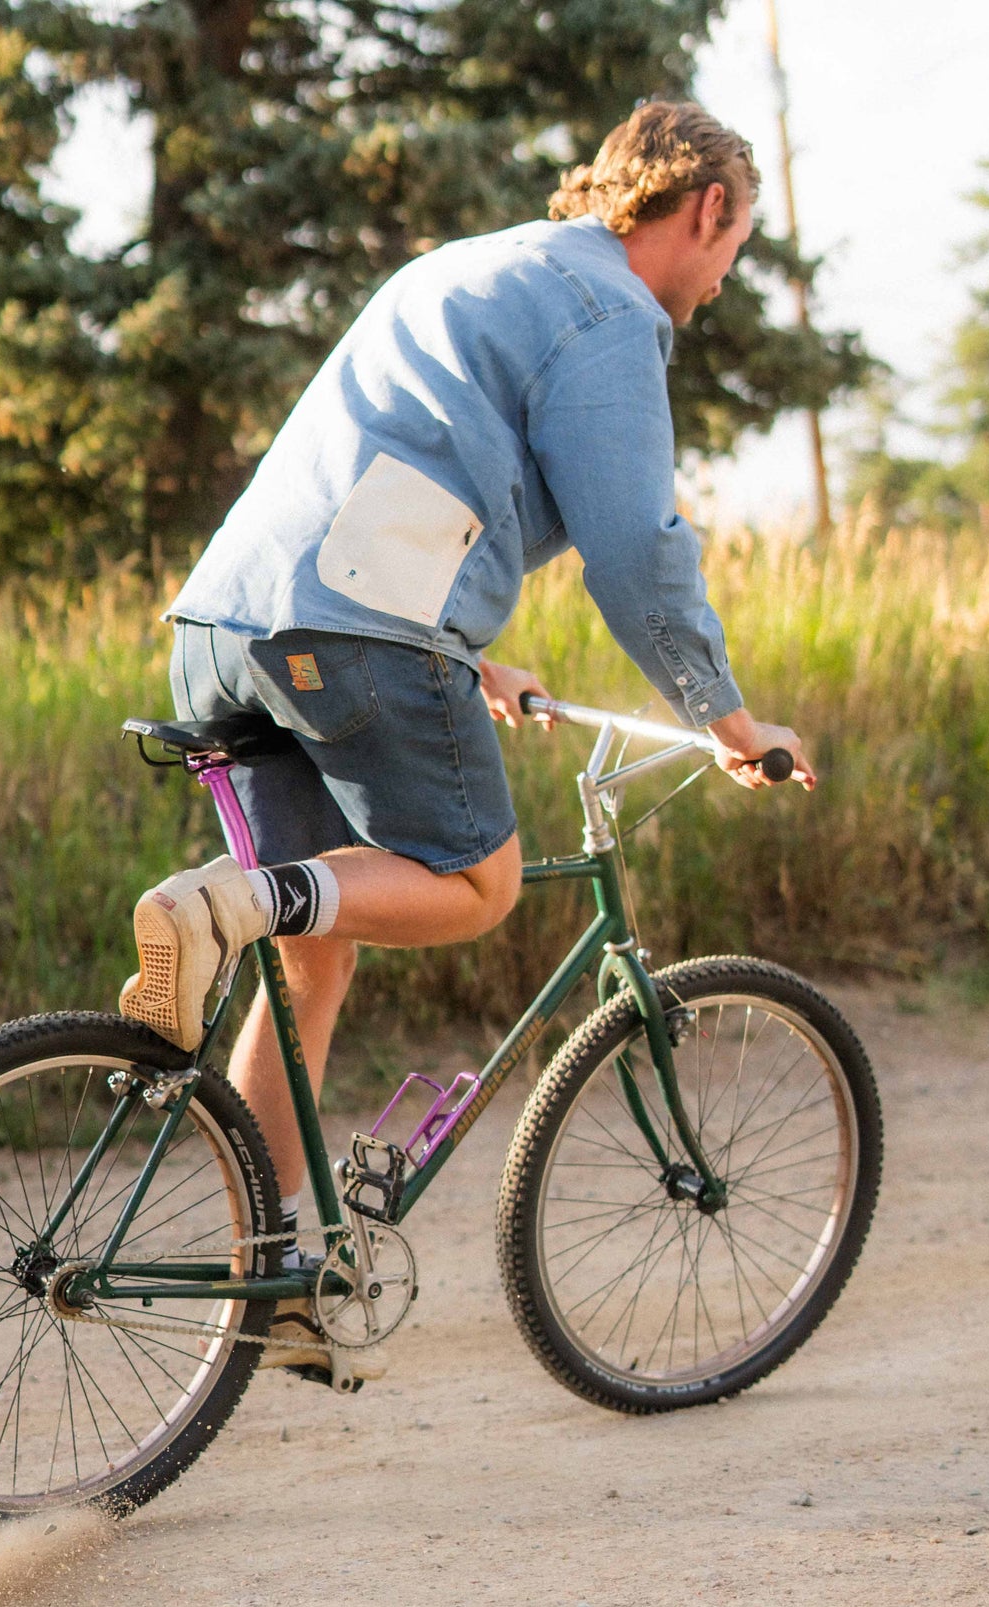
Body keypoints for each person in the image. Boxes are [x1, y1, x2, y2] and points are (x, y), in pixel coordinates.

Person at [119, 100, 817, 1370]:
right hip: (350, 631)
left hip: (233, 619)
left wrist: (466, 650)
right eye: (734, 248)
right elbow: (637, 555)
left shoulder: (474, 264)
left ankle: (271, 1270)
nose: (721, 281)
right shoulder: (615, 318)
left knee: (314, 953)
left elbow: (386, 460)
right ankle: (225, 904)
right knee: (477, 881)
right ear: (706, 210)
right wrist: (726, 717)